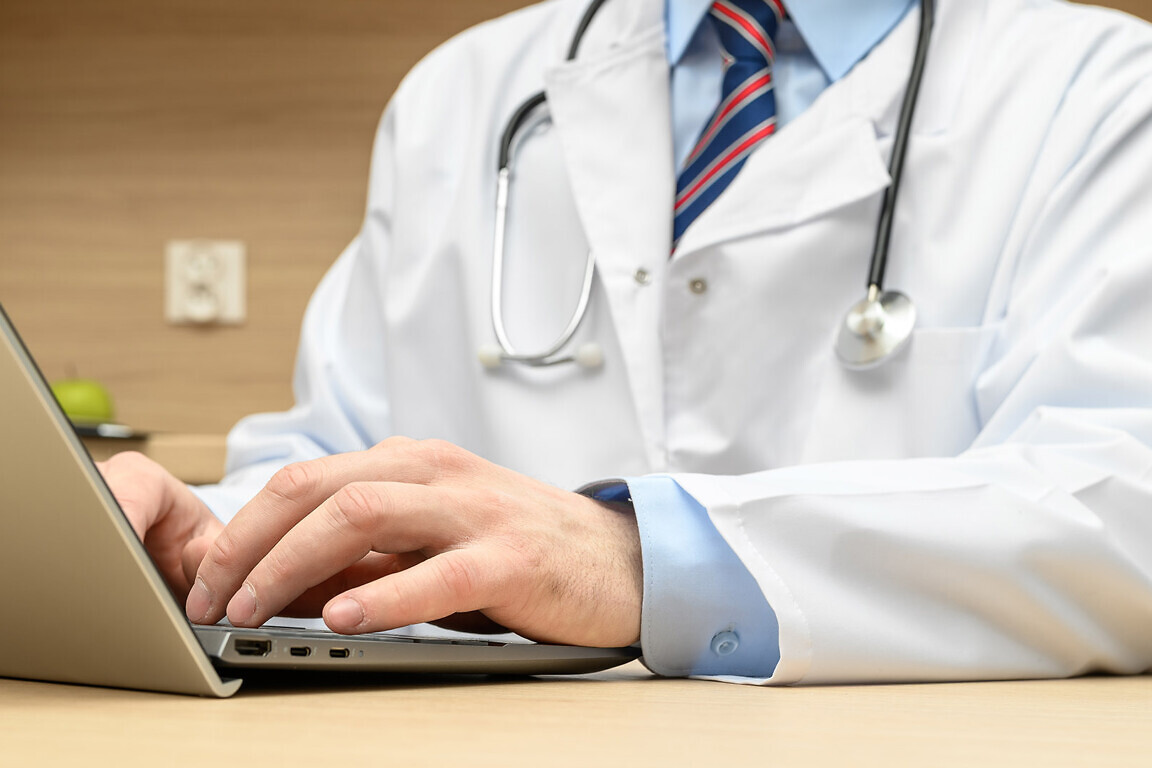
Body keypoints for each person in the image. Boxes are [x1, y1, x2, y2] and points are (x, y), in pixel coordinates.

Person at [100, 0, 1152, 685]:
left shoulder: (1104, 93)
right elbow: (343, 452)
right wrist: (210, 540)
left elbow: (1122, 506)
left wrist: (641, 558)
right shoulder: (462, 93)